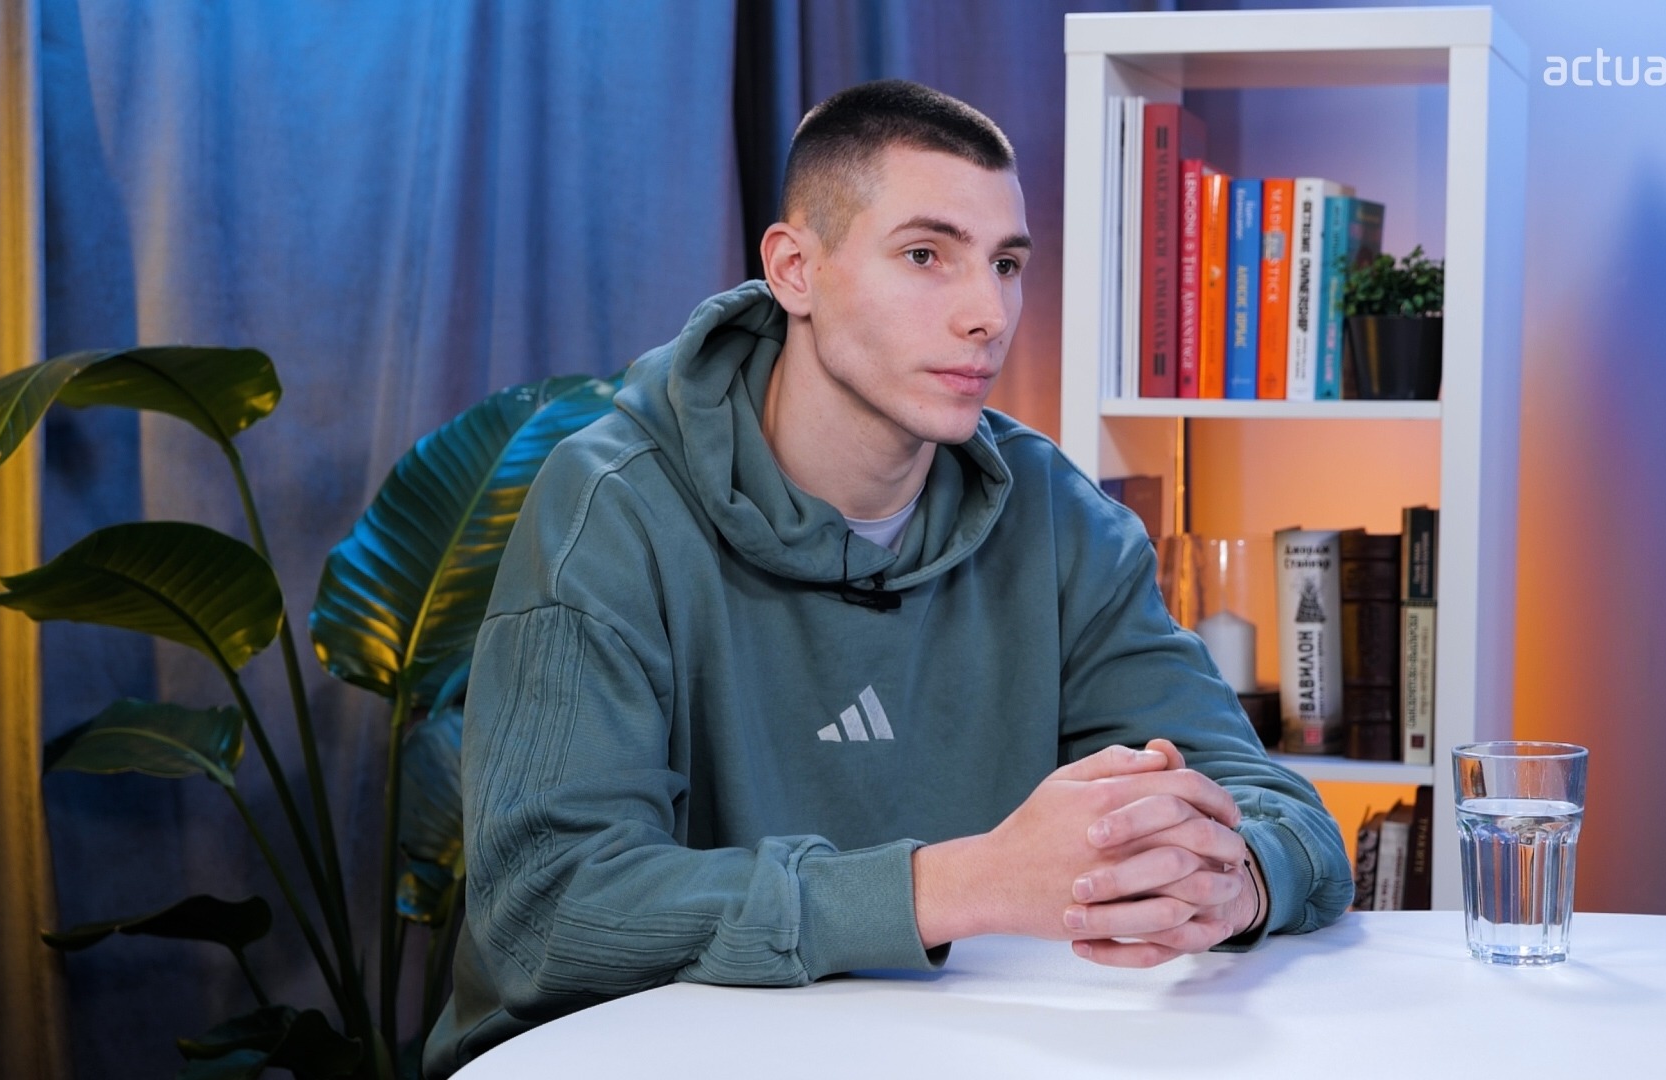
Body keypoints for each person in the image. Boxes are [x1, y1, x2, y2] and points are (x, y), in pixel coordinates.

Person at [424, 79, 1351, 1078]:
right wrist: (964, 884)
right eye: (925, 256)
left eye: (1006, 265)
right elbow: (548, 911)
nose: (987, 314)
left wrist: (1235, 881)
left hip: (947, 1054)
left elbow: (1274, 807)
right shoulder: (611, 509)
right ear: (796, 270)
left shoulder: (1056, 515)